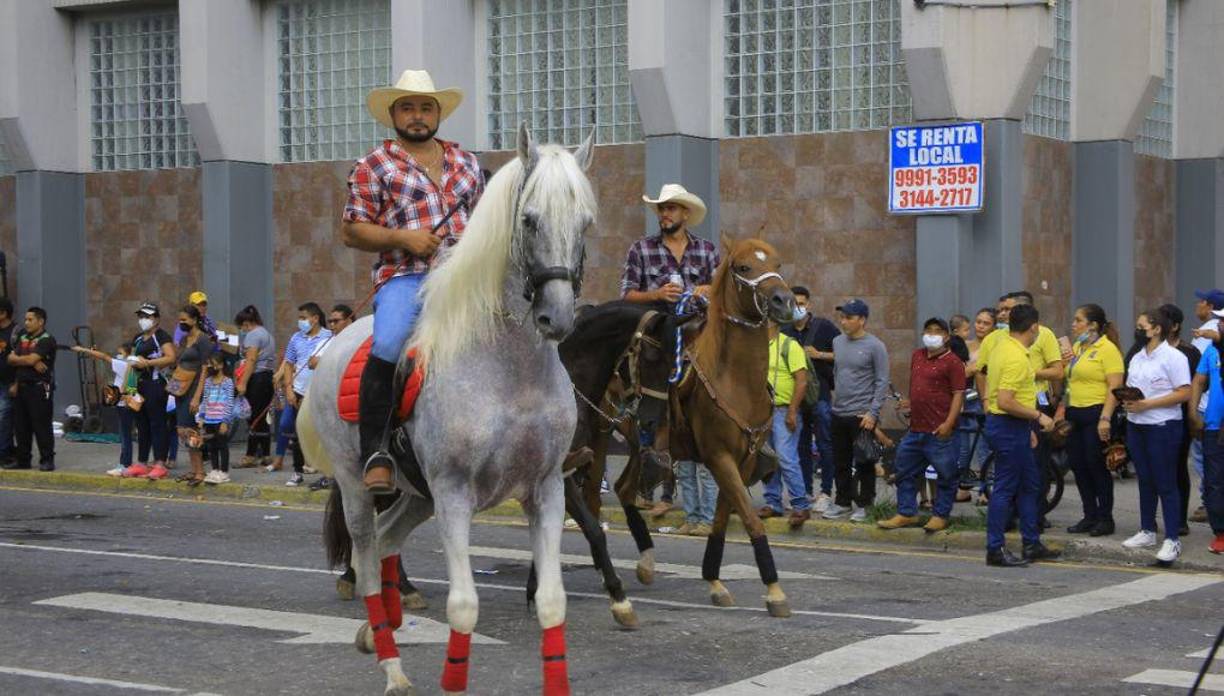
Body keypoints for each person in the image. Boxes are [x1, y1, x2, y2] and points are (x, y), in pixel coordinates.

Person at [342, 69, 484, 493]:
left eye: (426, 107)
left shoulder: (468, 163)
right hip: (405, 278)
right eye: (408, 108)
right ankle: (377, 450)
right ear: (393, 114)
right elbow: (352, 230)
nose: (418, 116)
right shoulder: (374, 165)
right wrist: (404, 237)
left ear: (438, 113)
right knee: (388, 343)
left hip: (466, 279)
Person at [621, 183, 721, 521]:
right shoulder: (641, 249)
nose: (664, 214)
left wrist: (702, 290)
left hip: (696, 335)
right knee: (652, 412)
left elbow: (720, 291)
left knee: (698, 411)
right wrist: (657, 294)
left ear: (685, 214)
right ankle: (650, 488)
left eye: (671, 209)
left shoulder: (707, 250)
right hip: (654, 338)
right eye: (661, 209)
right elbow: (627, 295)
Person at [983, 304, 1059, 567]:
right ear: (1034, 327)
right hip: (1007, 425)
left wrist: (1027, 429)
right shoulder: (1015, 357)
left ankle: (1031, 542)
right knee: (1005, 488)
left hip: (1015, 426)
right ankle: (995, 548)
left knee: (1030, 484)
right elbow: (1005, 401)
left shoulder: (1003, 347)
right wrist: (1037, 417)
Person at [879, 318, 965, 533]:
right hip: (916, 428)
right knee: (904, 471)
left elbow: (958, 395)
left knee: (945, 475)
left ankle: (940, 515)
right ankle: (906, 513)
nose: (932, 334)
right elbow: (920, 387)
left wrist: (948, 423)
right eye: (928, 330)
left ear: (946, 336)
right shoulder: (917, 356)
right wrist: (910, 402)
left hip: (940, 431)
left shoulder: (953, 362)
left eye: (938, 331)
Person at [1121, 308, 1191, 563]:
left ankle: (1172, 538)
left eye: (1142, 326)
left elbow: (1184, 392)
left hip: (1163, 425)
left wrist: (1147, 405)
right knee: (1145, 479)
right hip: (1136, 423)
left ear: (1156, 329)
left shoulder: (1174, 357)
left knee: (1165, 481)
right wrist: (1128, 400)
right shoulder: (1137, 357)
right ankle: (1147, 529)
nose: (1138, 330)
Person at [1054, 304, 1124, 537]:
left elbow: (1115, 386)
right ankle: (1089, 515)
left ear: (1093, 325)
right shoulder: (1078, 347)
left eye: (1078, 320)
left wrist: (1105, 417)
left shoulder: (1107, 349)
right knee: (1079, 465)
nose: (1074, 325)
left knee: (1096, 466)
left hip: (1096, 412)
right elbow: (1069, 381)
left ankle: (1105, 518)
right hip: (1075, 412)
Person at [824, 299, 890, 521]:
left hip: (862, 414)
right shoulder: (837, 342)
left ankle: (866, 504)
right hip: (838, 411)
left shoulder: (875, 346)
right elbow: (838, 373)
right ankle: (842, 501)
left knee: (864, 461)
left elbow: (882, 381)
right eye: (842, 317)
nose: (843, 321)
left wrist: (873, 413)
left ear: (862, 320)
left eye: (849, 317)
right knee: (840, 462)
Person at [781, 286, 839, 512]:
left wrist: (819, 354)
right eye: (794, 303)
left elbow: (843, 352)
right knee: (800, 445)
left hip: (820, 395)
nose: (798, 307)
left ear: (809, 305)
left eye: (802, 303)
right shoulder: (785, 330)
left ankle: (825, 492)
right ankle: (804, 490)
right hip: (794, 398)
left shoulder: (823, 327)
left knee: (825, 443)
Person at [760, 320, 812, 529]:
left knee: (786, 457)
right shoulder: (758, 346)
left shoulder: (789, 345)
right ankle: (773, 502)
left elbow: (801, 381)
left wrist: (792, 411)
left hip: (784, 411)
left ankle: (800, 505)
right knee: (768, 458)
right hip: (763, 412)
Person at [273, 303, 332, 486]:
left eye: (304, 317)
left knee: (319, 432)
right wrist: (289, 389)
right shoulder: (296, 338)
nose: (301, 321)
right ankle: (297, 472)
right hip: (297, 392)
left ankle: (324, 472)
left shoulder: (329, 337)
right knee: (289, 427)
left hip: (317, 394)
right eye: (300, 318)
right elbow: (289, 364)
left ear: (315, 318)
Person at [1159, 303, 1199, 537]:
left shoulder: (1189, 352)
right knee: (1154, 471)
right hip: (1150, 417)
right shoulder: (1145, 349)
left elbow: (1198, 385)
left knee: (1177, 468)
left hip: (1180, 417)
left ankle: (1179, 520)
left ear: (1174, 326)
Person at [1187, 305, 1224, 554]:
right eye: (1219, 321)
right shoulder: (1211, 352)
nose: (1219, 324)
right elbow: (1199, 381)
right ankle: (1220, 532)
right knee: (1214, 482)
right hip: (1213, 426)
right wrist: (1192, 412)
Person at [124, 302, 176, 479]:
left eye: (147, 316)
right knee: (141, 424)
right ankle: (141, 462)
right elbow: (131, 361)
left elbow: (171, 357)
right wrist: (128, 388)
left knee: (157, 424)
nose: (143, 320)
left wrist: (148, 363)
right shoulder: (138, 338)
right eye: (141, 317)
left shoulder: (161, 337)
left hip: (155, 385)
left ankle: (160, 462)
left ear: (156, 319)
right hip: (139, 385)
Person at [71, 342, 138, 476]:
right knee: (126, 434)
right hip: (128, 402)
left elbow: (103, 356)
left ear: (125, 353)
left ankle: (124, 464)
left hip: (123, 403)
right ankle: (126, 463)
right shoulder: (132, 366)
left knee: (125, 436)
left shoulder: (123, 364)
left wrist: (82, 349)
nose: (118, 355)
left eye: (120, 352)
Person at [308, 304, 356, 492]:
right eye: (330, 321)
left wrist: (323, 361)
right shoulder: (328, 341)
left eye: (336, 321)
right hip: (327, 398)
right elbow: (312, 361)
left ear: (349, 320)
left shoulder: (357, 339)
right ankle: (328, 475)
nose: (332, 325)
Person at [3, 307, 57, 472]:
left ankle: (47, 460)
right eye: (25, 319)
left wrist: (27, 360)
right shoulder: (23, 337)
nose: (26, 323)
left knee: (41, 425)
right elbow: (10, 359)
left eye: (30, 320)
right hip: (22, 386)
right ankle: (23, 460)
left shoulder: (47, 339)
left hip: (41, 387)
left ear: (40, 322)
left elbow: (30, 359)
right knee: (21, 426)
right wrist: (27, 362)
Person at [173, 305, 214, 486]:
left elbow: (205, 368)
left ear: (195, 320)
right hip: (180, 388)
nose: (182, 323)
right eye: (180, 320)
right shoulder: (183, 340)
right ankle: (194, 469)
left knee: (191, 430)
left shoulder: (203, 340)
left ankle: (200, 472)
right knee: (182, 430)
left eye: (185, 320)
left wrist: (198, 396)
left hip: (195, 389)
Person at [958, 308, 996, 493]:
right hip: (966, 397)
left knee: (983, 445)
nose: (980, 326)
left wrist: (974, 369)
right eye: (978, 321)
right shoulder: (966, 345)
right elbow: (961, 372)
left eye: (986, 323)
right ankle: (962, 487)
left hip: (987, 397)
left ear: (994, 327)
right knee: (963, 444)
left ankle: (985, 489)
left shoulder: (995, 346)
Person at [234, 305, 276, 468]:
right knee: (261, 417)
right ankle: (265, 453)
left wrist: (243, 382)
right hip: (266, 378)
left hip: (257, 378)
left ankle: (250, 455)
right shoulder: (266, 334)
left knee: (253, 418)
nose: (241, 330)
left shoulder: (253, 335)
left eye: (241, 327)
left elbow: (250, 361)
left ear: (246, 323)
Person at [194, 351, 235, 484]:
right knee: (212, 446)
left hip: (220, 419)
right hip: (209, 419)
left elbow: (229, 402)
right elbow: (205, 400)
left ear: (221, 365)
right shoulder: (208, 382)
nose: (211, 367)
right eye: (210, 364)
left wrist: (225, 421)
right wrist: (202, 417)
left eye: (214, 364)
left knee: (222, 445)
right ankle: (215, 470)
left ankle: (223, 472)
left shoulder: (228, 382)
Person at [0, 298, 18, 465]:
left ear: (3, 313)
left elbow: (21, 360)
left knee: (5, 418)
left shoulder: (16, 332)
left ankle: (4, 453)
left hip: (9, 383)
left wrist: (17, 383)